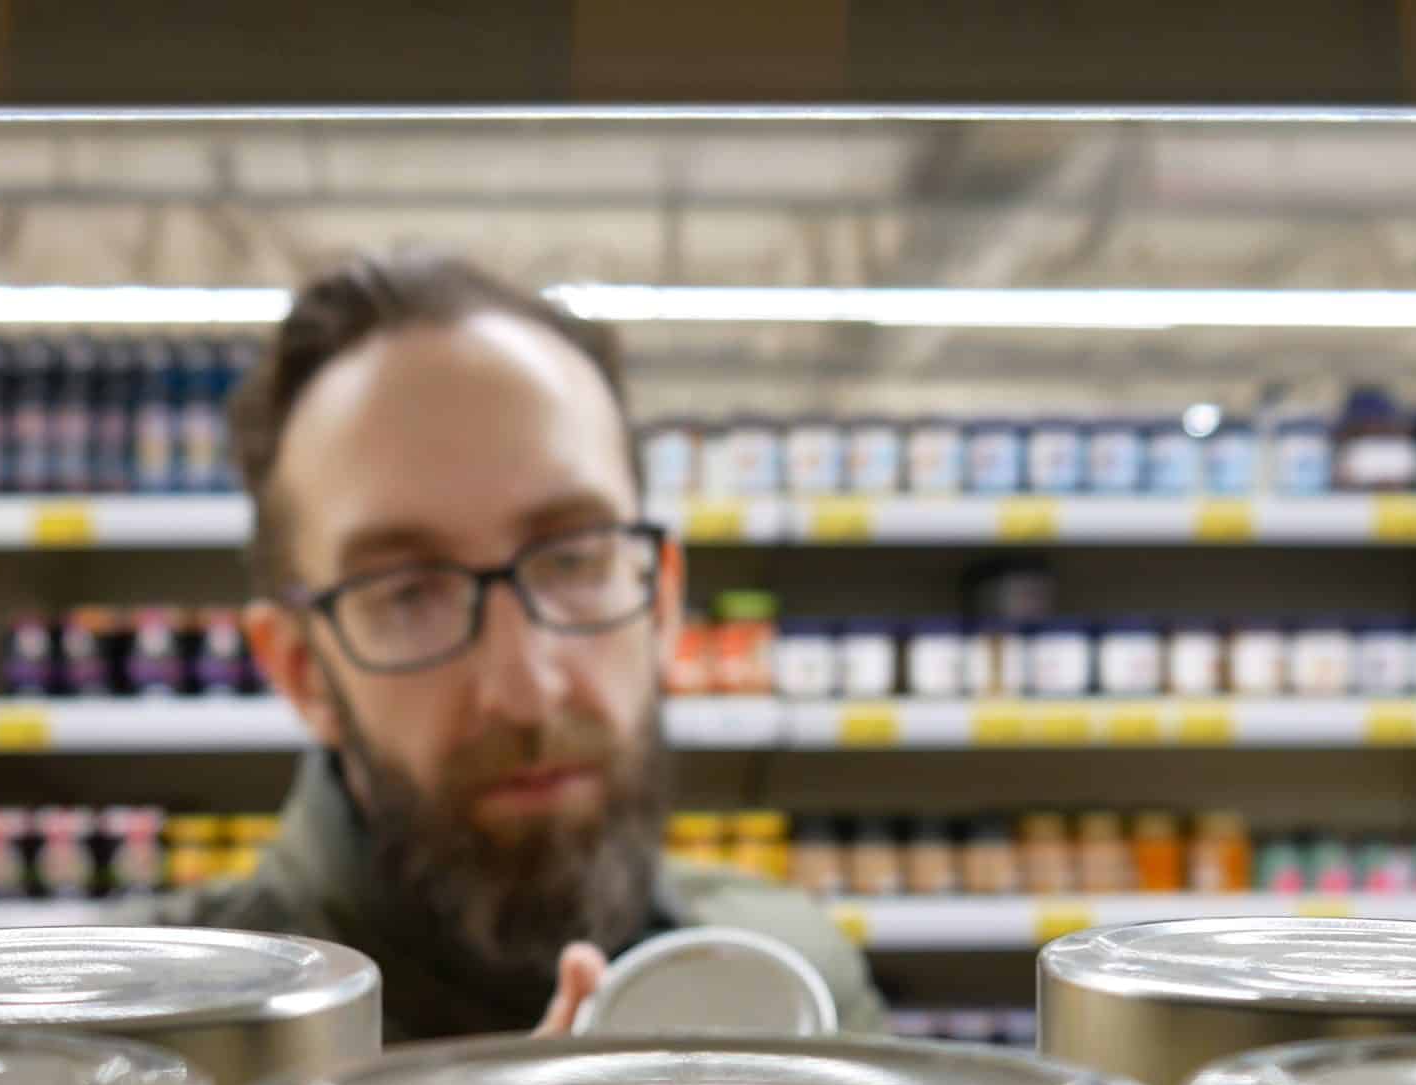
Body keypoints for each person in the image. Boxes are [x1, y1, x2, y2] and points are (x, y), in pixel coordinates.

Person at [161, 252, 883, 1042]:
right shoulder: (163, 1049)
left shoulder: (796, 989)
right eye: (409, 594)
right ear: (302, 673)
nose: (527, 689)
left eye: (574, 559)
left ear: (663, 602)